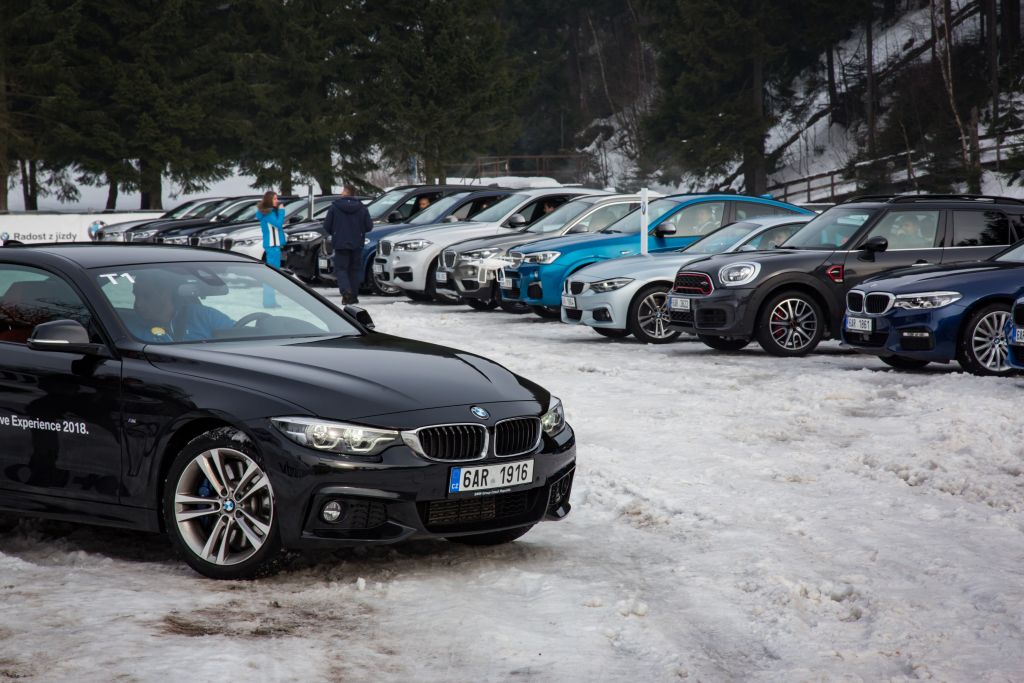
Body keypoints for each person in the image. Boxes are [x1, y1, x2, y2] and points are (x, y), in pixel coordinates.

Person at [126, 270, 234, 343]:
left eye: (146, 296)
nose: (138, 303)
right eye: (136, 295)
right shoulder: (129, 332)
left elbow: (238, 333)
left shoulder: (204, 316)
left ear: (165, 293)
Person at [324, 184, 373, 304]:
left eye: (343, 191)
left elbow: (327, 225)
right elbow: (369, 226)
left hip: (340, 242)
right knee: (354, 269)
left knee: (341, 269)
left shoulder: (334, 207)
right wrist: (359, 231)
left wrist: (336, 232)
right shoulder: (362, 208)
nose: (341, 193)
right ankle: (354, 295)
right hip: (357, 242)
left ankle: (346, 292)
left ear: (346, 192)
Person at [257, 191, 287, 308]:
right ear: (269, 200)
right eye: (274, 199)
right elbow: (278, 224)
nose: (277, 201)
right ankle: (269, 302)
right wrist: (282, 211)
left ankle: (270, 301)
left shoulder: (269, 212)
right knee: (272, 275)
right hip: (272, 246)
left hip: (273, 246)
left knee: (273, 275)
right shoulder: (268, 213)